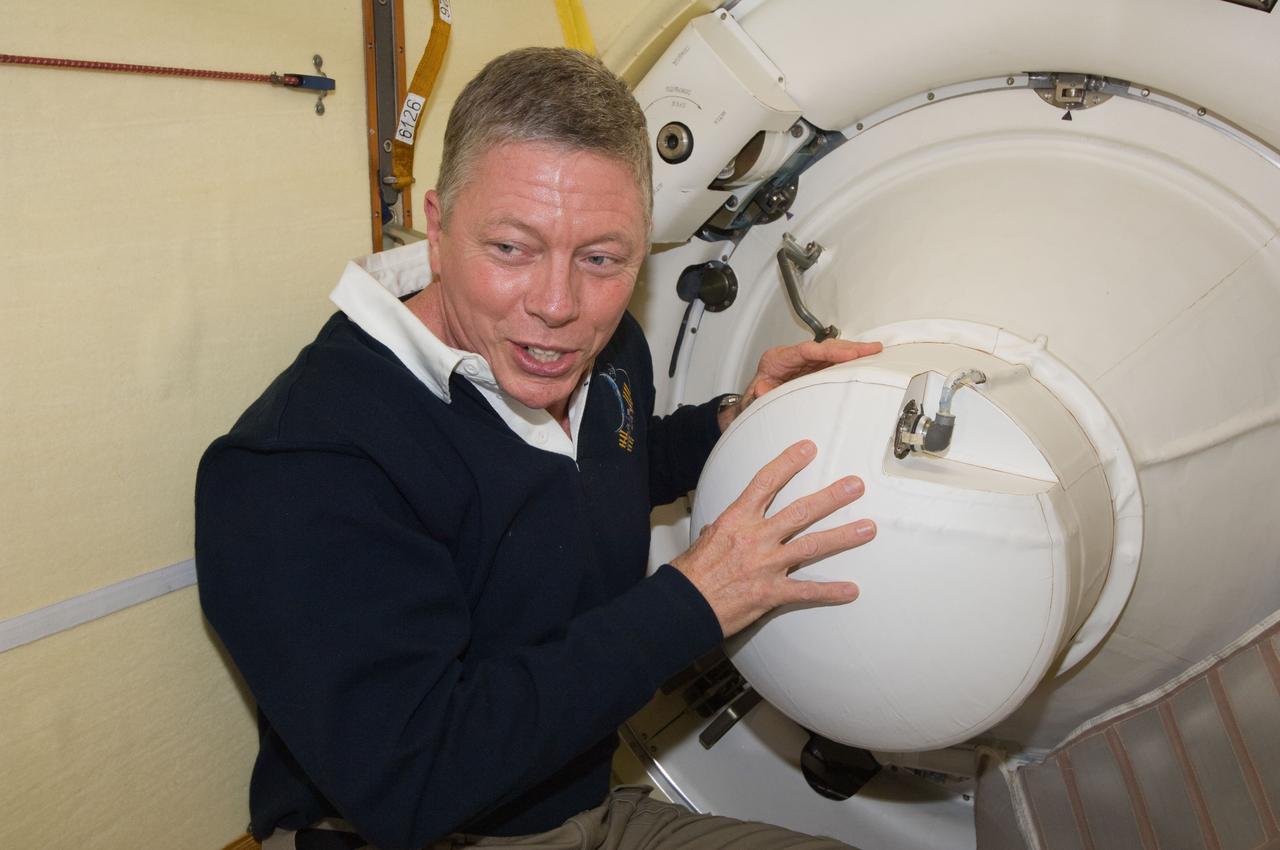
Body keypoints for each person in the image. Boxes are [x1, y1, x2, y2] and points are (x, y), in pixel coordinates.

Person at [196, 47, 880, 850]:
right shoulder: (304, 461)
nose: (558, 307)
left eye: (602, 258)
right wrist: (692, 602)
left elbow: (604, 462)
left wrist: (732, 419)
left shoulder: (607, 347)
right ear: (439, 225)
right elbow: (414, 778)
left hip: (581, 805)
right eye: (512, 249)